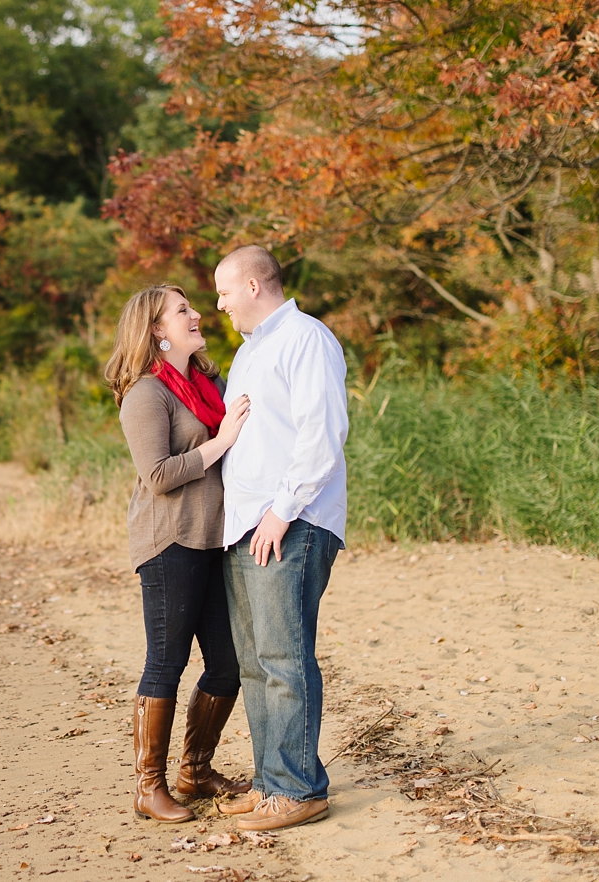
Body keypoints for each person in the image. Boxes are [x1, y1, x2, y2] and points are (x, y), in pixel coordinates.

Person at [103, 283, 253, 824]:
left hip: (215, 537)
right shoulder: (147, 393)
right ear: (156, 331)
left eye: (192, 306)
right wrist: (223, 440)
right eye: (182, 310)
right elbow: (158, 475)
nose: (195, 314)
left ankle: (195, 770)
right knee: (166, 662)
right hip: (168, 540)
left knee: (228, 662)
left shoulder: (209, 383)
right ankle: (149, 787)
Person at [212, 246, 349, 832]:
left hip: (289, 523)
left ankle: (299, 789)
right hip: (245, 526)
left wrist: (281, 511)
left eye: (222, 293)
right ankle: (270, 780)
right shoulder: (248, 353)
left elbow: (323, 434)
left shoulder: (304, 338)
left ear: (251, 285)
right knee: (254, 661)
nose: (218, 305)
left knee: (284, 656)